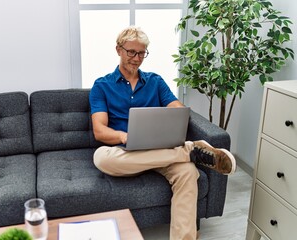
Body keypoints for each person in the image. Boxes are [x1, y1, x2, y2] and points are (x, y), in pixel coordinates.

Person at [89, 26, 236, 240]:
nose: (137, 58)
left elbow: (177, 107)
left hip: (160, 151)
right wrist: (124, 137)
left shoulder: (155, 82)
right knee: (101, 157)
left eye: (141, 53)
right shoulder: (102, 86)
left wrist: (176, 113)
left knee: (187, 173)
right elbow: (100, 131)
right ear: (118, 50)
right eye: (131, 52)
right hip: (125, 154)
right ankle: (190, 151)